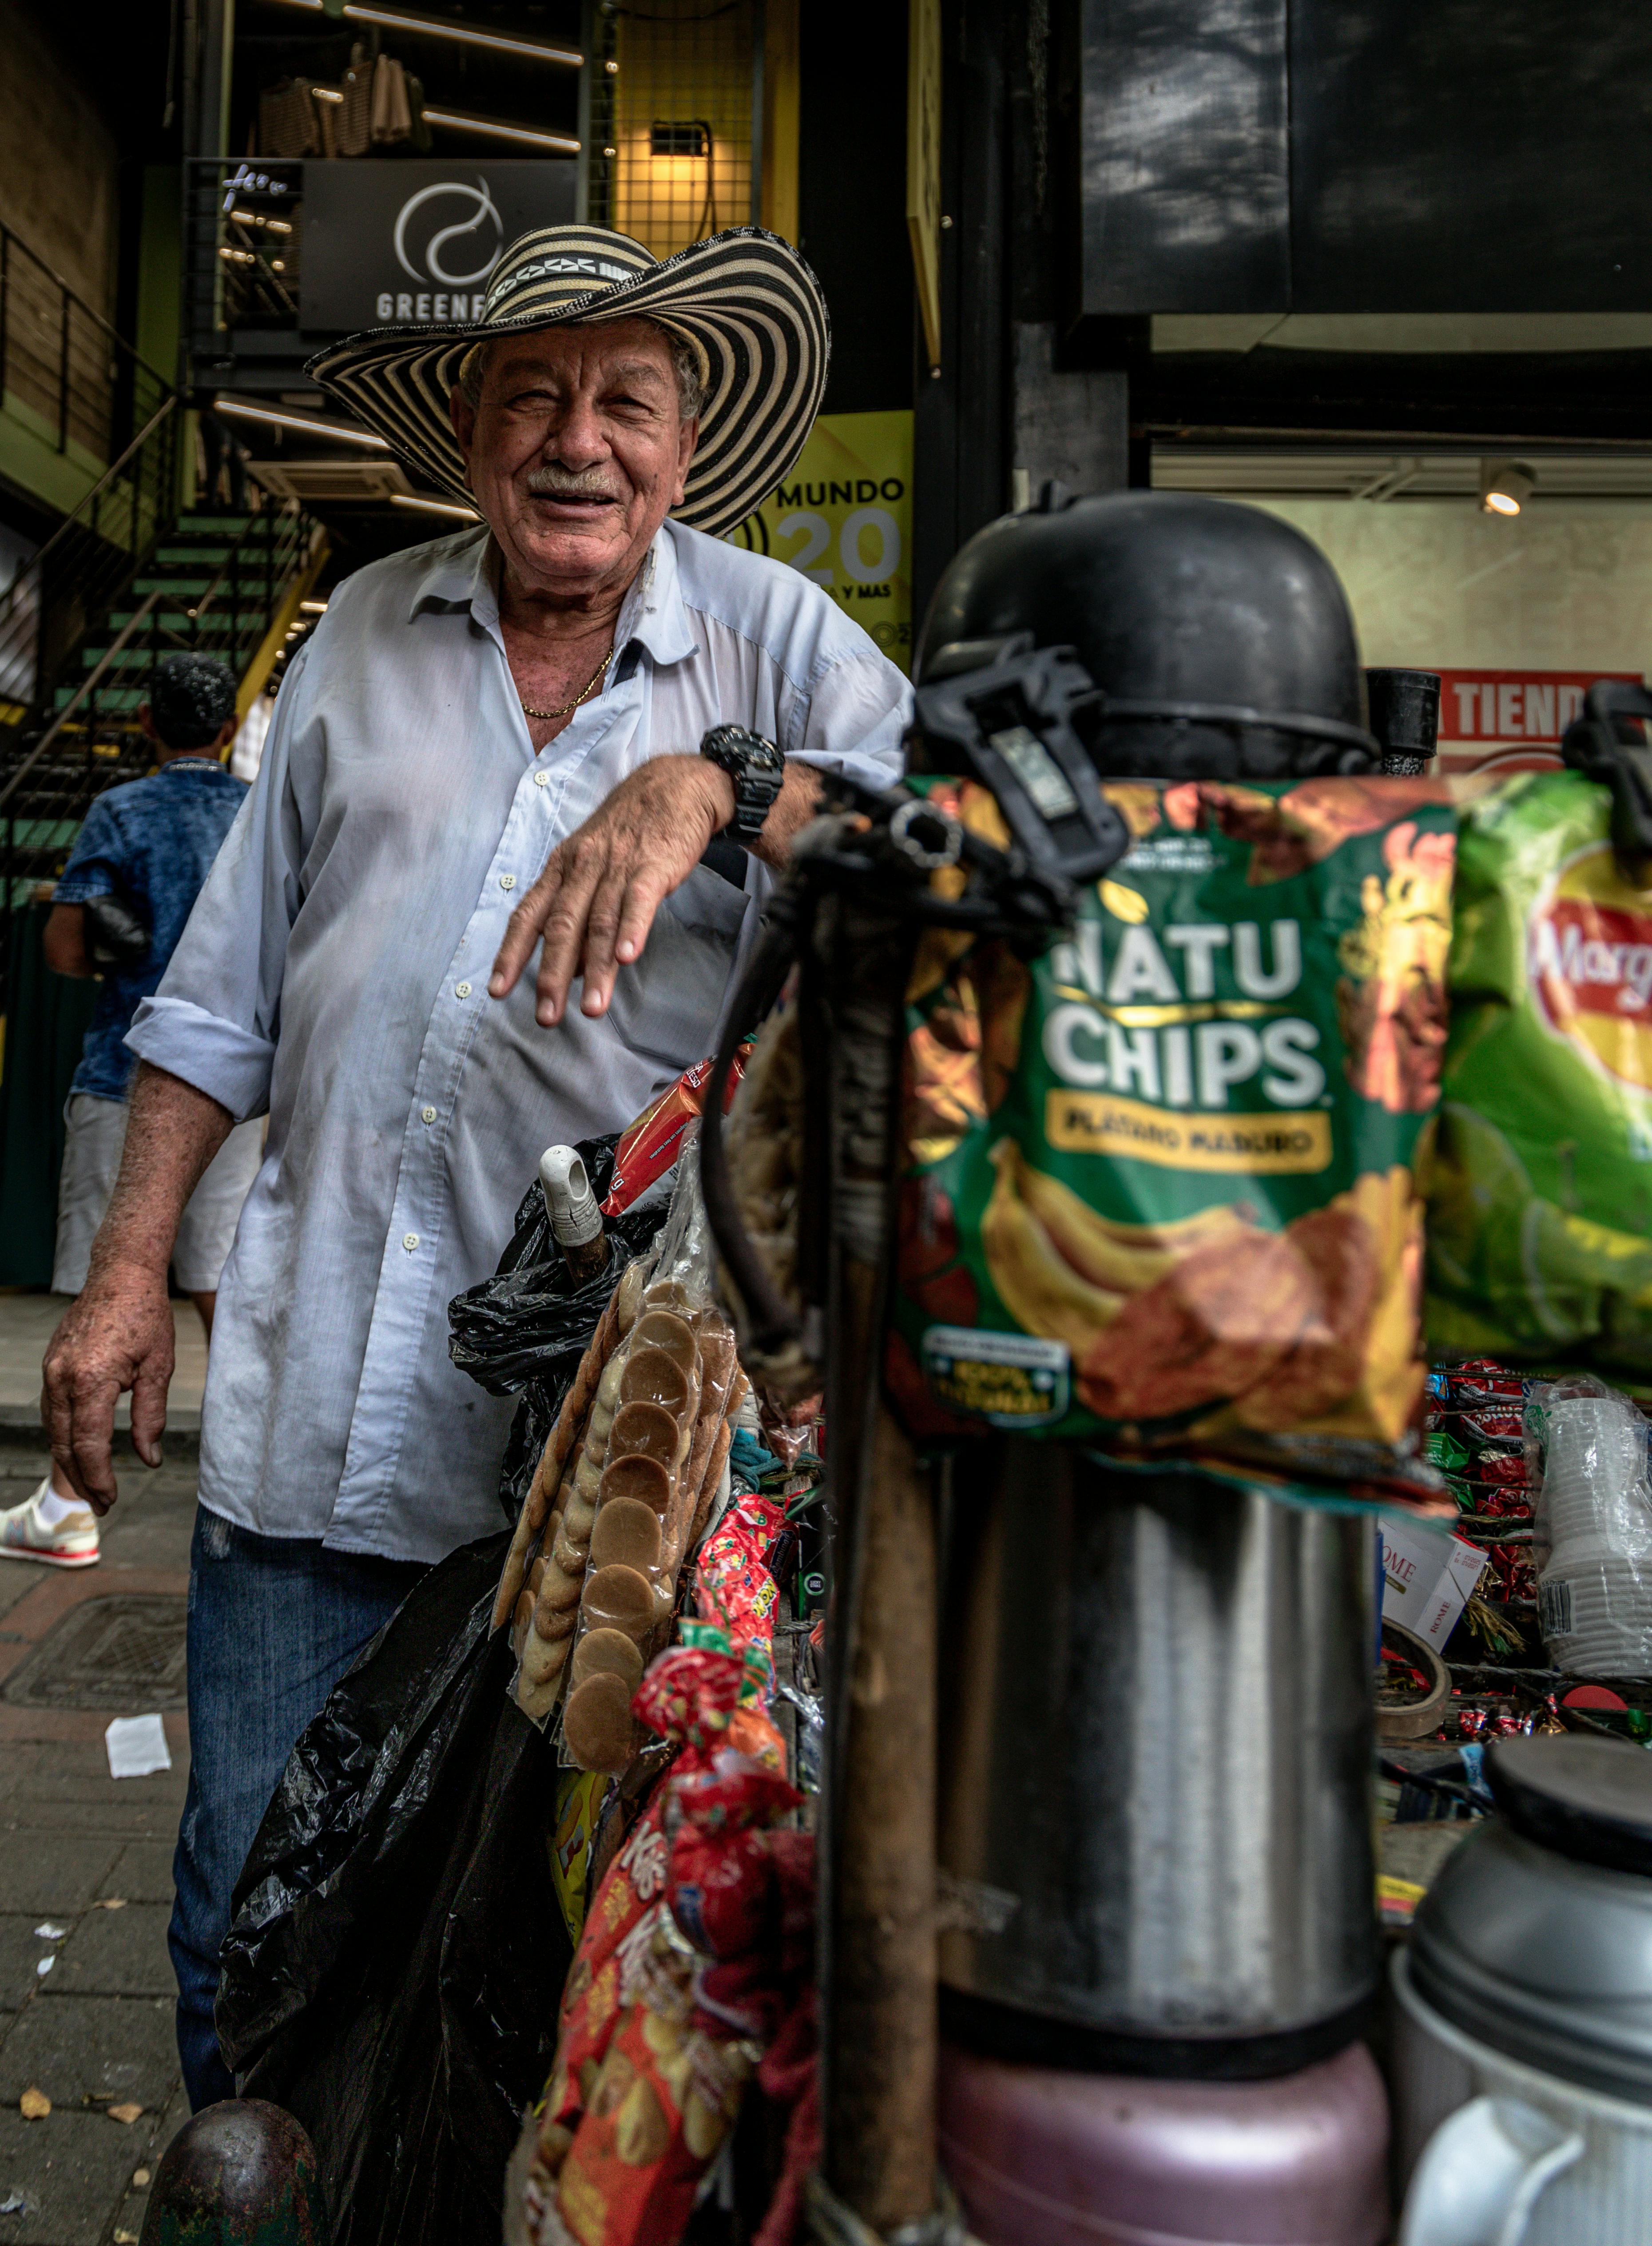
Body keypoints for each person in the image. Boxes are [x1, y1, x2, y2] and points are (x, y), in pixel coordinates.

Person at [39, 222, 909, 2108]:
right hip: (311, 1424)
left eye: (625, 402)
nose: (577, 440)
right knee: (242, 1918)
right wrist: (121, 1276)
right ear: (468, 427)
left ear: (685, 446)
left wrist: (720, 783)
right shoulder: (359, 631)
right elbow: (220, 996)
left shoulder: (775, 640)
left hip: (611, 1475)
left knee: (547, 1960)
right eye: (533, 395)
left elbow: (951, 860)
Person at [1, 656, 262, 1572]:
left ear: (147, 724)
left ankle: (68, 1507)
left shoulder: (121, 810)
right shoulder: (256, 812)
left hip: (130, 1075)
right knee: (221, 1285)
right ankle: (252, 1484)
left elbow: (68, 951)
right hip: (237, 1086)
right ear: (228, 731)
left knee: (105, 1290)